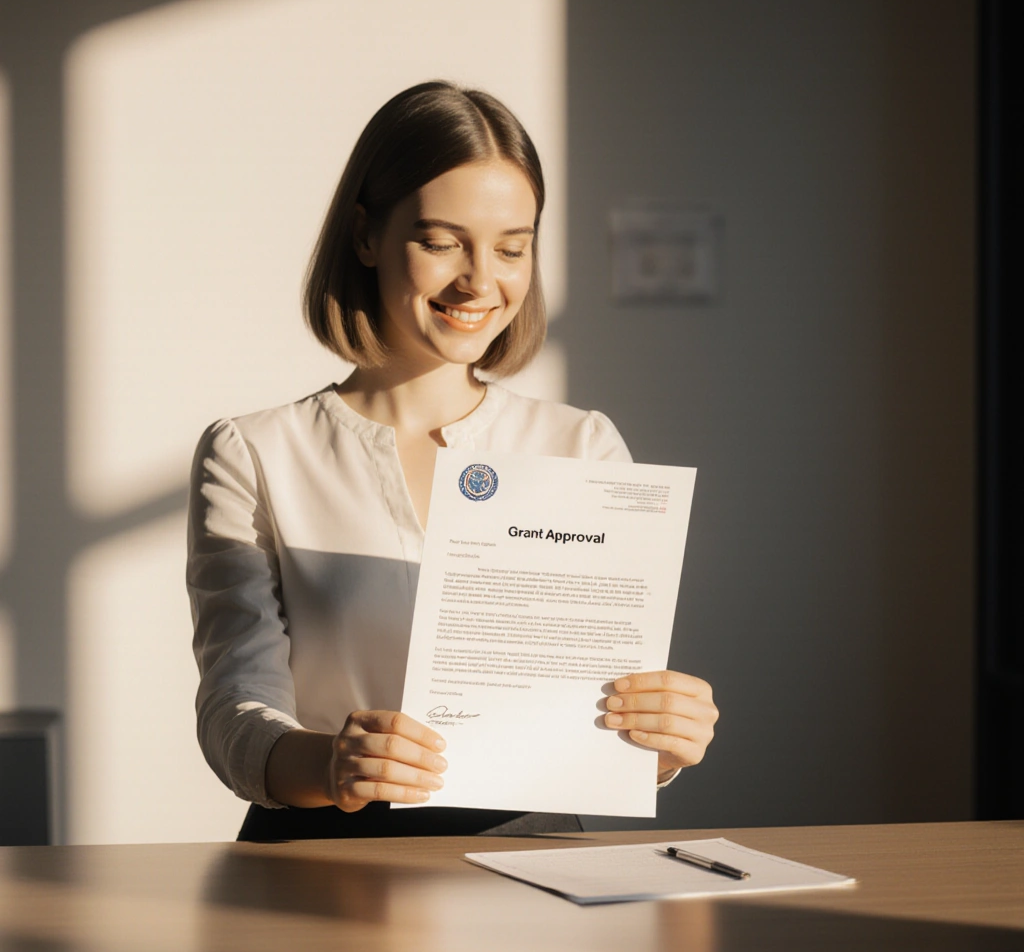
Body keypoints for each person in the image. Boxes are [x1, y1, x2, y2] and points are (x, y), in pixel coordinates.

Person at [187, 81, 718, 842]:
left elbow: (604, 707)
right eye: (441, 242)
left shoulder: (583, 447)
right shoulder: (256, 451)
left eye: (512, 247)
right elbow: (233, 711)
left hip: (535, 851)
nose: (479, 281)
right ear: (366, 236)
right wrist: (333, 764)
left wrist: (662, 741)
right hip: (322, 857)